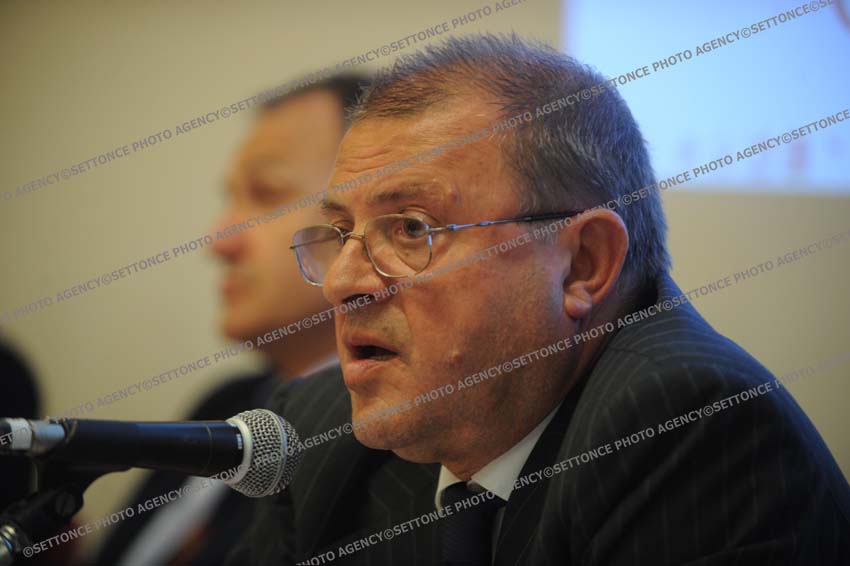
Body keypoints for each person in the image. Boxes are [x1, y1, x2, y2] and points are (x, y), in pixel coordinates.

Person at [228, 35, 850, 565]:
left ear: (583, 265)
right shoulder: (320, 433)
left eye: (412, 228)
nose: (342, 282)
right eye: (340, 233)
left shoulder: (683, 425)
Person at [91, 73, 370, 566]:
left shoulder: (388, 442)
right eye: (230, 198)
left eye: (265, 193)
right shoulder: (226, 405)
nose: (219, 241)